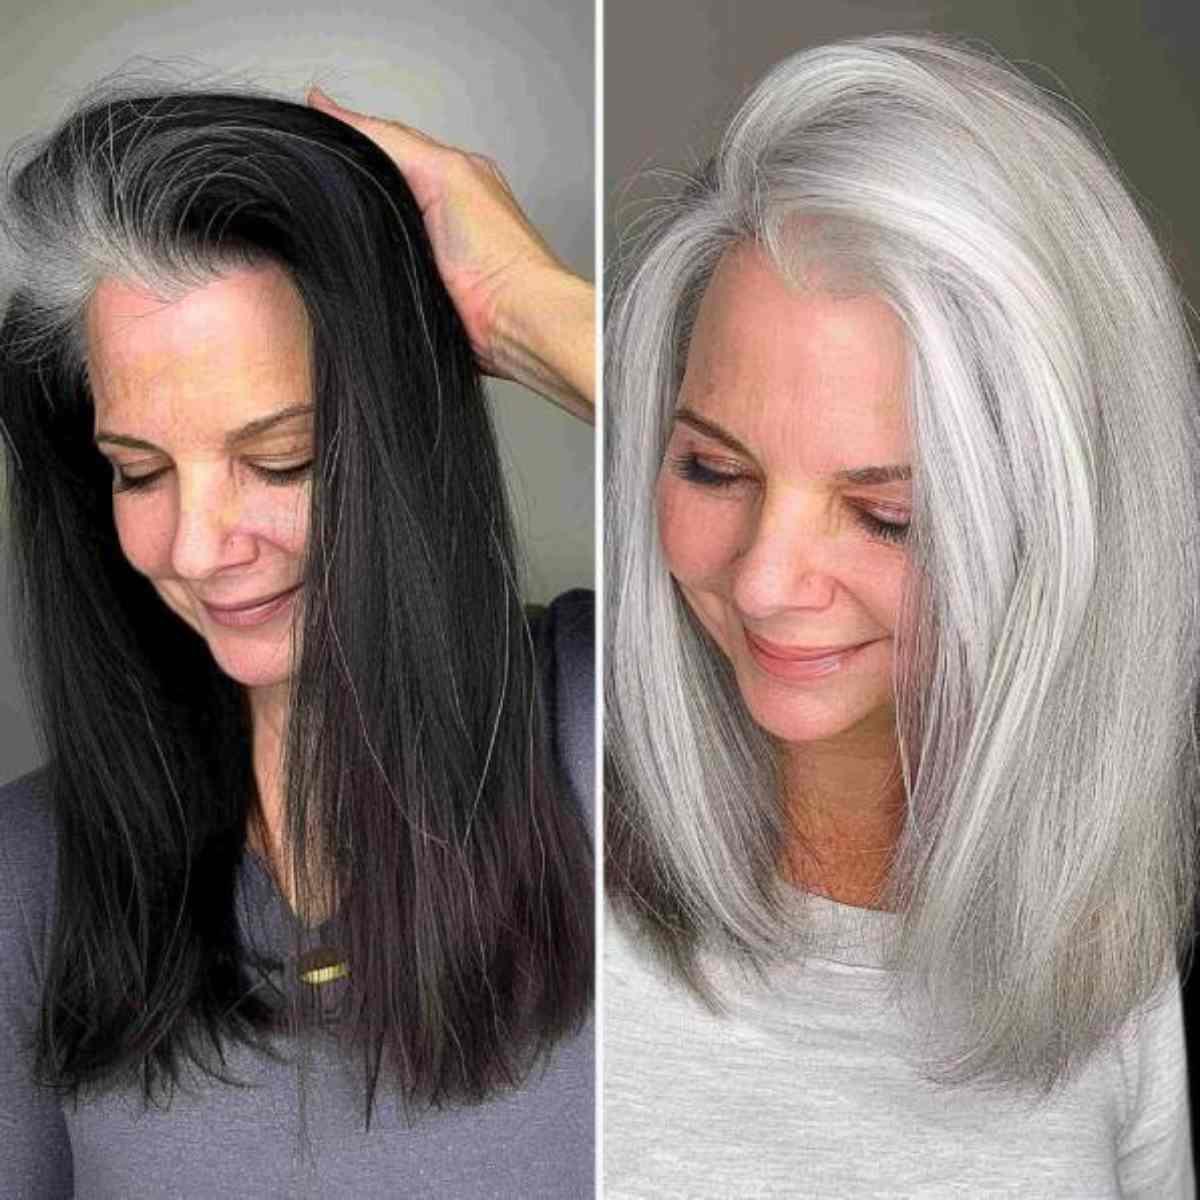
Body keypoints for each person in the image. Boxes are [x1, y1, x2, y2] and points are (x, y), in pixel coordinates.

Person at [604, 32, 1197, 1198]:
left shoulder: (1111, 970)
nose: (770, 580)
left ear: (1052, 533)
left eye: (887, 517)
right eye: (714, 471)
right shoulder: (545, 884)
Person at [0, 79, 595, 1197]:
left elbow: (984, 592)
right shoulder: (30, 872)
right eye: (139, 470)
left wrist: (530, 309)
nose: (199, 543)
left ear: (400, 446)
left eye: (278, 458)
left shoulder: (602, 728)